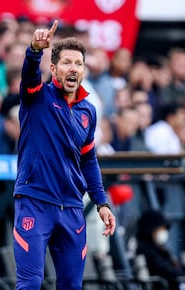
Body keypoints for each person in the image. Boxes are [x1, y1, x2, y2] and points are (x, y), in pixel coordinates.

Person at [12, 20, 116, 290]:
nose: (73, 68)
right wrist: (35, 51)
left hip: (72, 207)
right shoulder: (37, 97)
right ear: (55, 69)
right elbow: (30, 75)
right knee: (30, 284)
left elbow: (88, 160)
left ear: (83, 70)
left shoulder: (88, 112)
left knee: (71, 285)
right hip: (35, 201)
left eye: (79, 63)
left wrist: (102, 203)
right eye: (67, 63)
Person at [136, 210, 185, 290]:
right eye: (161, 228)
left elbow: (175, 268)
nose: (164, 232)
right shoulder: (146, 250)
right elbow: (166, 271)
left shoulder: (157, 247)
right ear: (150, 229)